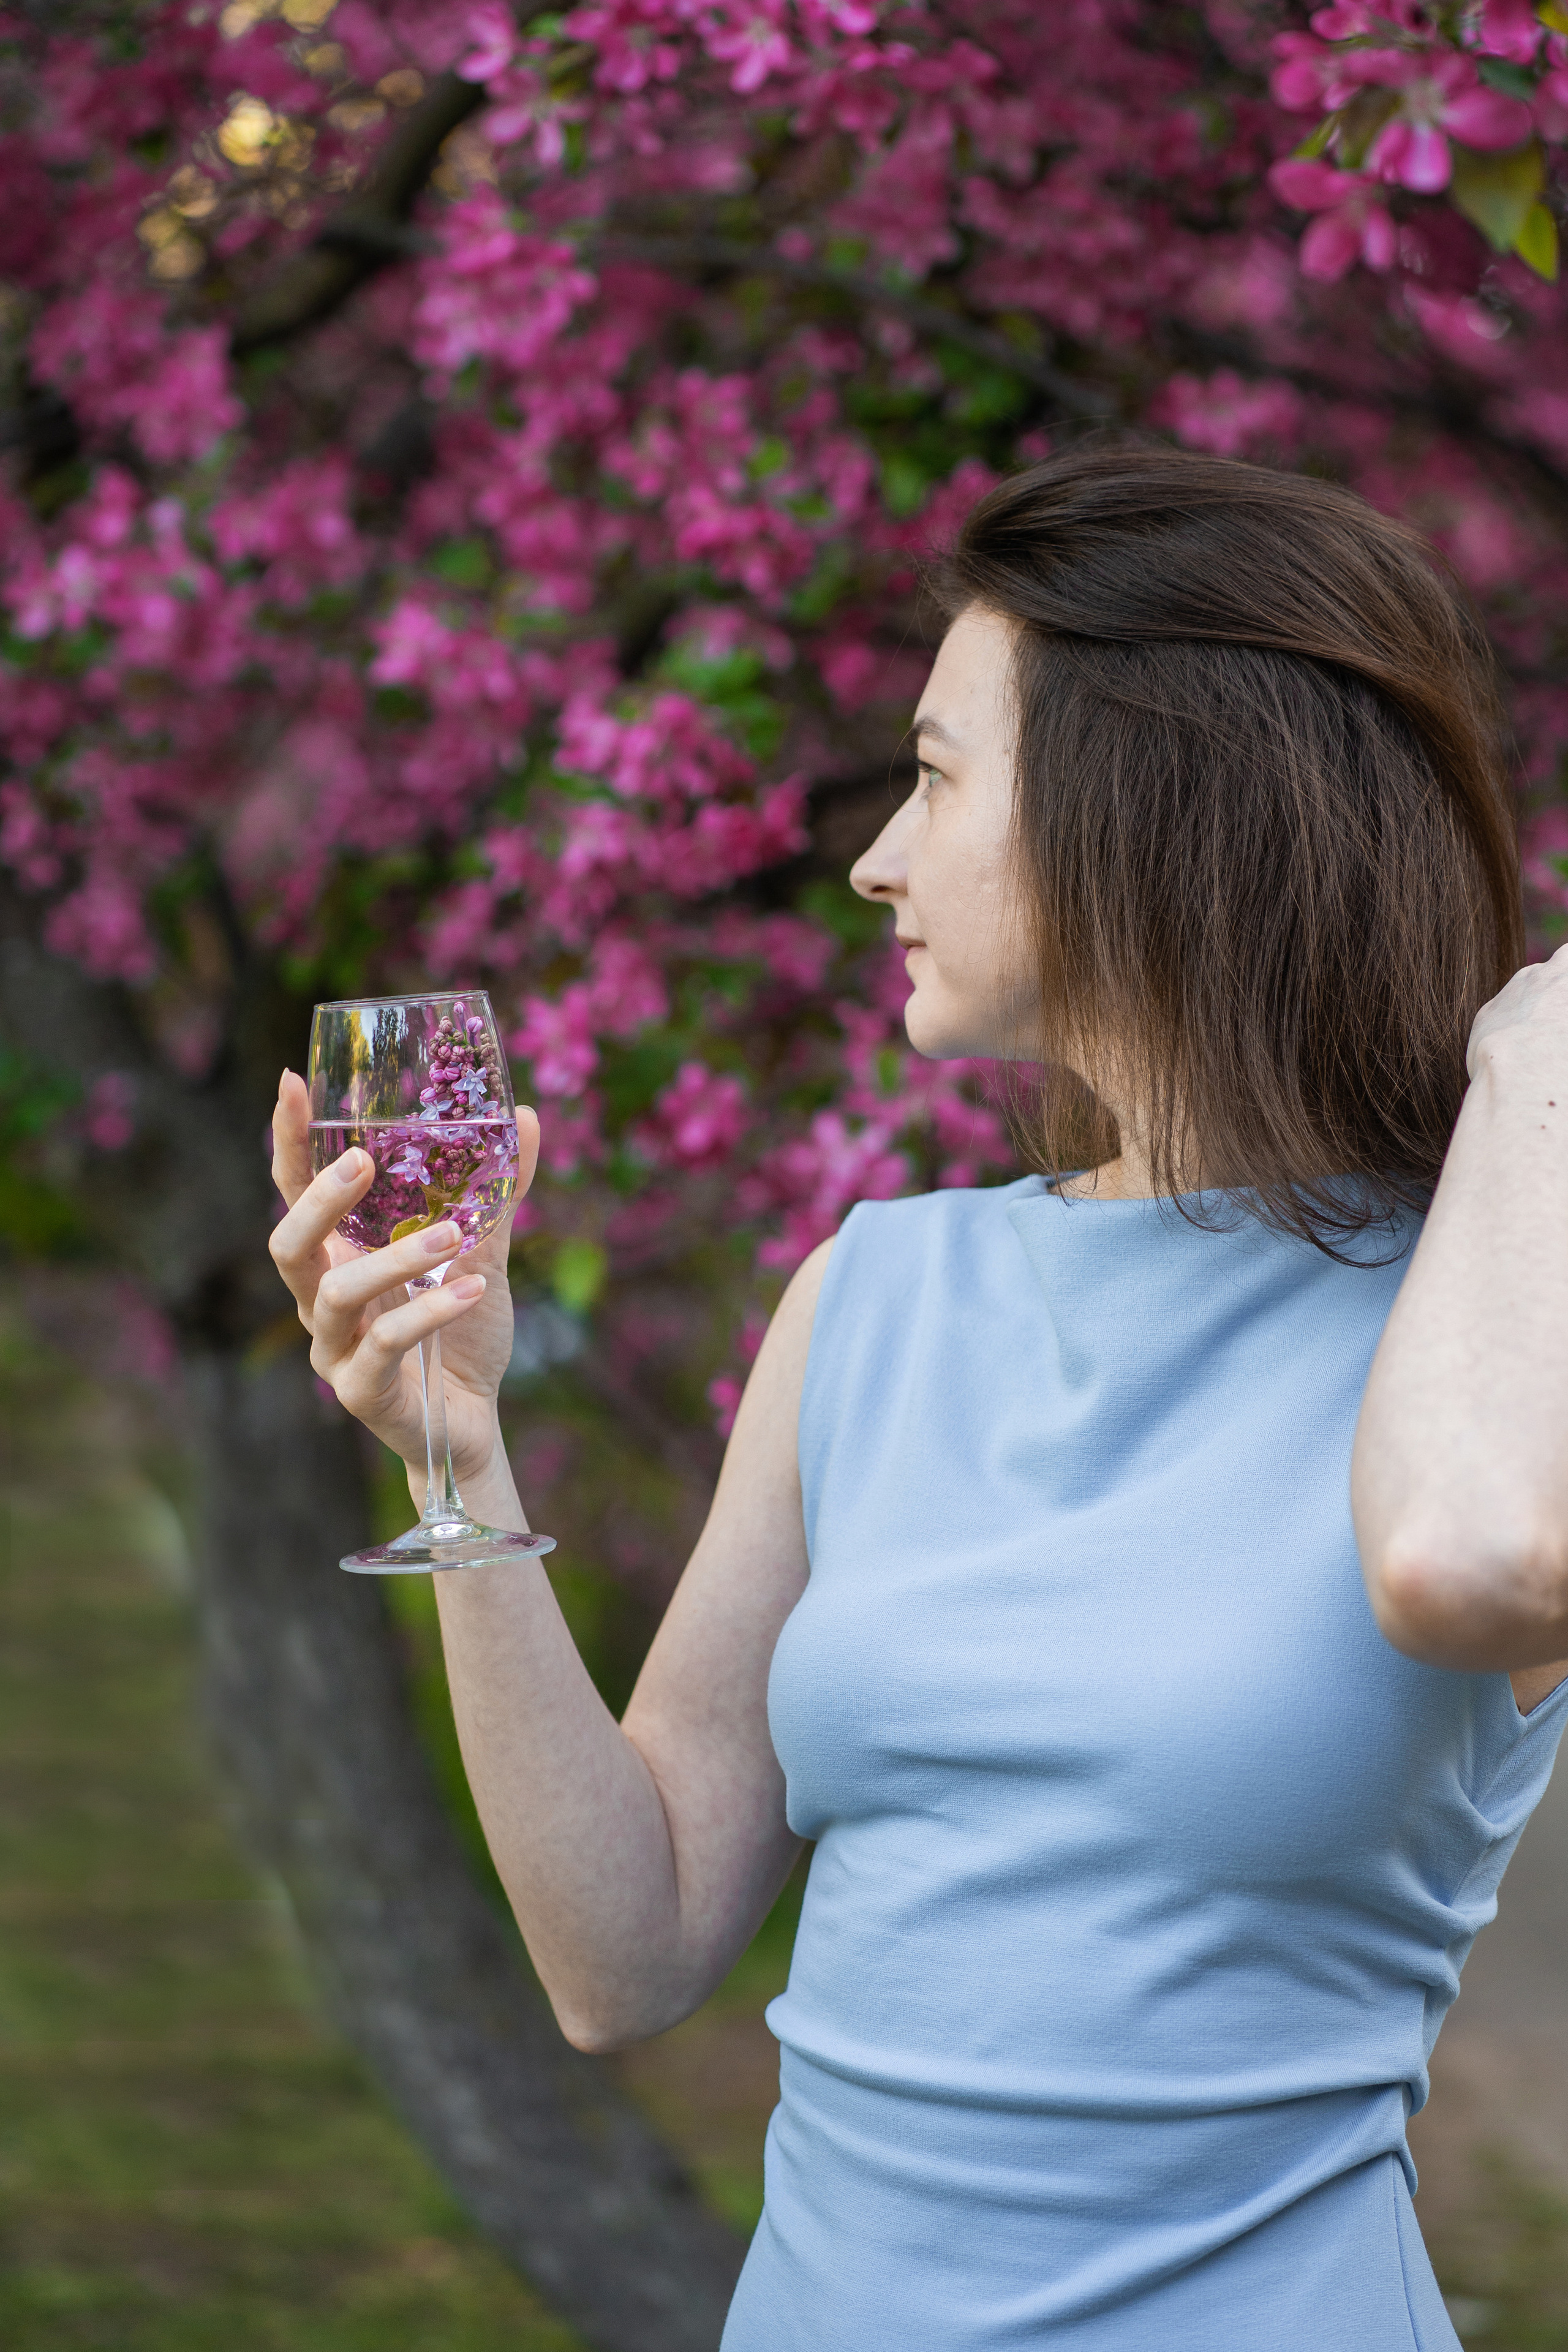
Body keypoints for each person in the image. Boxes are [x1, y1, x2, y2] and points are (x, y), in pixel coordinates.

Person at [268, 446, 1568, 2350]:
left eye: (941, 775)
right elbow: (621, 1958)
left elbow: (1477, 1555)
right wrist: (456, 1455)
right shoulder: (880, 1294)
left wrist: (1533, 1072)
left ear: (1149, 807)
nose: (876, 854)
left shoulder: (1493, 1321)